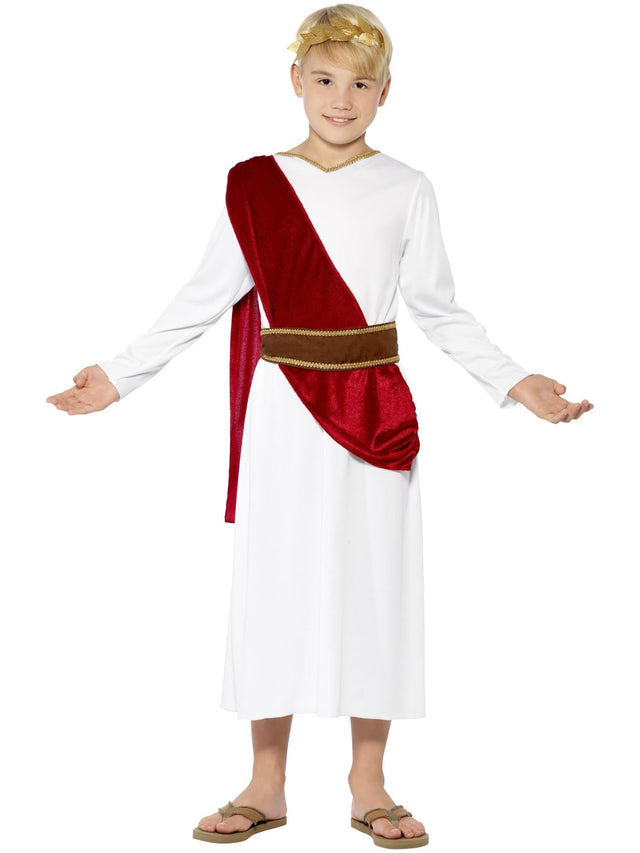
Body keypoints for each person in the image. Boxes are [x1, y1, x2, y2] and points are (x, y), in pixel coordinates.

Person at [45, 4, 594, 848]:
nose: (342, 99)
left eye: (361, 84)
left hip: (374, 406)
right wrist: (118, 377)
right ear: (295, 82)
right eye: (326, 80)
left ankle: (369, 780)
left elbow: (440, 309)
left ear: (386, 93)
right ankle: (265, 782)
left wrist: (516, 381)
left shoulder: (407, 187)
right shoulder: (254, 183)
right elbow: (203, 295)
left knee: (377, 583)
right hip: (285, 413)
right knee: (275, 581)